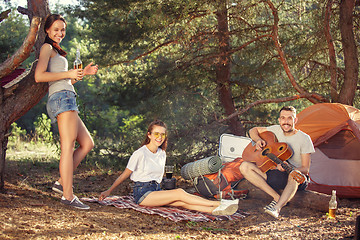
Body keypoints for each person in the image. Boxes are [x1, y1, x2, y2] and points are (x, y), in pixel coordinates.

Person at [99, 120, 239, 215]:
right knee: (179, 193)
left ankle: (217, 211)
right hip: (142, 193)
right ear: (149, 135)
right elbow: (125, 174)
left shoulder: (162, 153)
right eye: (156, 134)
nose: (159, 137)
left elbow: (159, 177)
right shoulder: (140, 153)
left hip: (156, 190)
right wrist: (108, 190)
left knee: (180, 202)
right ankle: (219, 204)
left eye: (162, 134)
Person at [35, 14, 98, 209]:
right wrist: (69, 73)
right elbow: (39, 76)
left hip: (67, 96)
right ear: (47, 30)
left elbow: (63, 80)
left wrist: (81, 74)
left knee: (87, 143)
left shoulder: (57, 50)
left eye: (62, 29)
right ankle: (68, 196)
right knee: (68, 147)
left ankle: (62, 182)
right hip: (61, 99)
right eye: (56, 29)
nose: (60, 33)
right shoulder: (46, 48)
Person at [240, 106, 315, 218]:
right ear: (279, 120)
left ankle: (277, 208)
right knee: (244, 166)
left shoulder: (304, 138)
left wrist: (289, 168)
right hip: (275, 175)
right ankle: (276, 197)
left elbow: (305, 168)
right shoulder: (275, 129)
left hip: (295, 178)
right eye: (283, 118)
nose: (286, 122)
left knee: (295, 174)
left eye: (290, 118)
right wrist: (258, 140)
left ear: (295, 120)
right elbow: (253, 130)